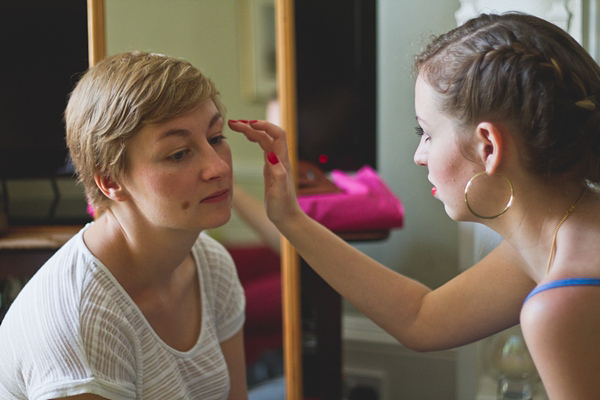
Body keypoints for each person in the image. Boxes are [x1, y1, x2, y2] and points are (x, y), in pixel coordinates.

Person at [229, 12, 600, 399]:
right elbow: (421, 318)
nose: (419, 156)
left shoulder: (561, 303)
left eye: (426, 133)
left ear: (488, 146)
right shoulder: (559, 235)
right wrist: (290, 219)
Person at [0, 51, 248, 399]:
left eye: (216, 138)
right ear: (110, 182)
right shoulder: (82, 319)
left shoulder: (211, 264)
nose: (217, 167)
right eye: (178, 154)